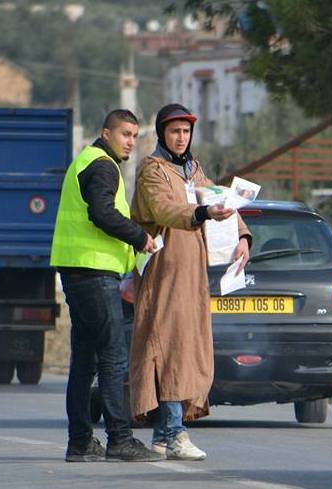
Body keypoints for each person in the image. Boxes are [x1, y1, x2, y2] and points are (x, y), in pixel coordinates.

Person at [129, 103, 252, 461]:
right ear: (163, 134)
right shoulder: (152, 170)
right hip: (164, 273)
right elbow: (164, 209)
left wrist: (243, 236)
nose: (181, 138)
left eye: (185, 132)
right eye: (174, 132)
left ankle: (165, 435)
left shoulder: (194, 170)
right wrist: (201, 212)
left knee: (187, 350)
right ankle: (174, 433)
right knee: (169, 349)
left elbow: (221, 201)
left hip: (194, 274)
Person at [50, 109, 163, 463]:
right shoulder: (101, 164)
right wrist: (140, 236)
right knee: (113, 357)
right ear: (106, 133)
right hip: (94, 273)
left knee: (84, 360)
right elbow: (101, 212)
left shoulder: (86, 160)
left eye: (134, 135)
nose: (131, 141)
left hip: (79, 271)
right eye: (125, 134)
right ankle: (120, 439)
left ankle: (80, 442)